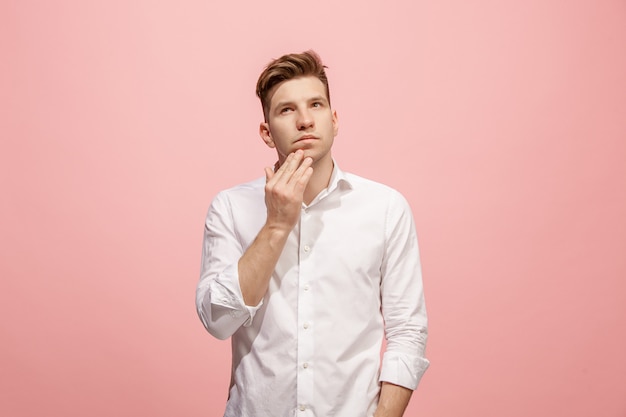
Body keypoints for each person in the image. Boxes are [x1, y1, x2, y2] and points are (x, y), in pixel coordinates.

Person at [196, 50, 429, 417]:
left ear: (334, 120)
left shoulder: (385, 208)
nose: (305, 120)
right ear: (266, 132)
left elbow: (407, 333)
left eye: (316, 105)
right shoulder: (230, 207)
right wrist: (276, 224)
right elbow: (218, 321)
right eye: (287, 110)